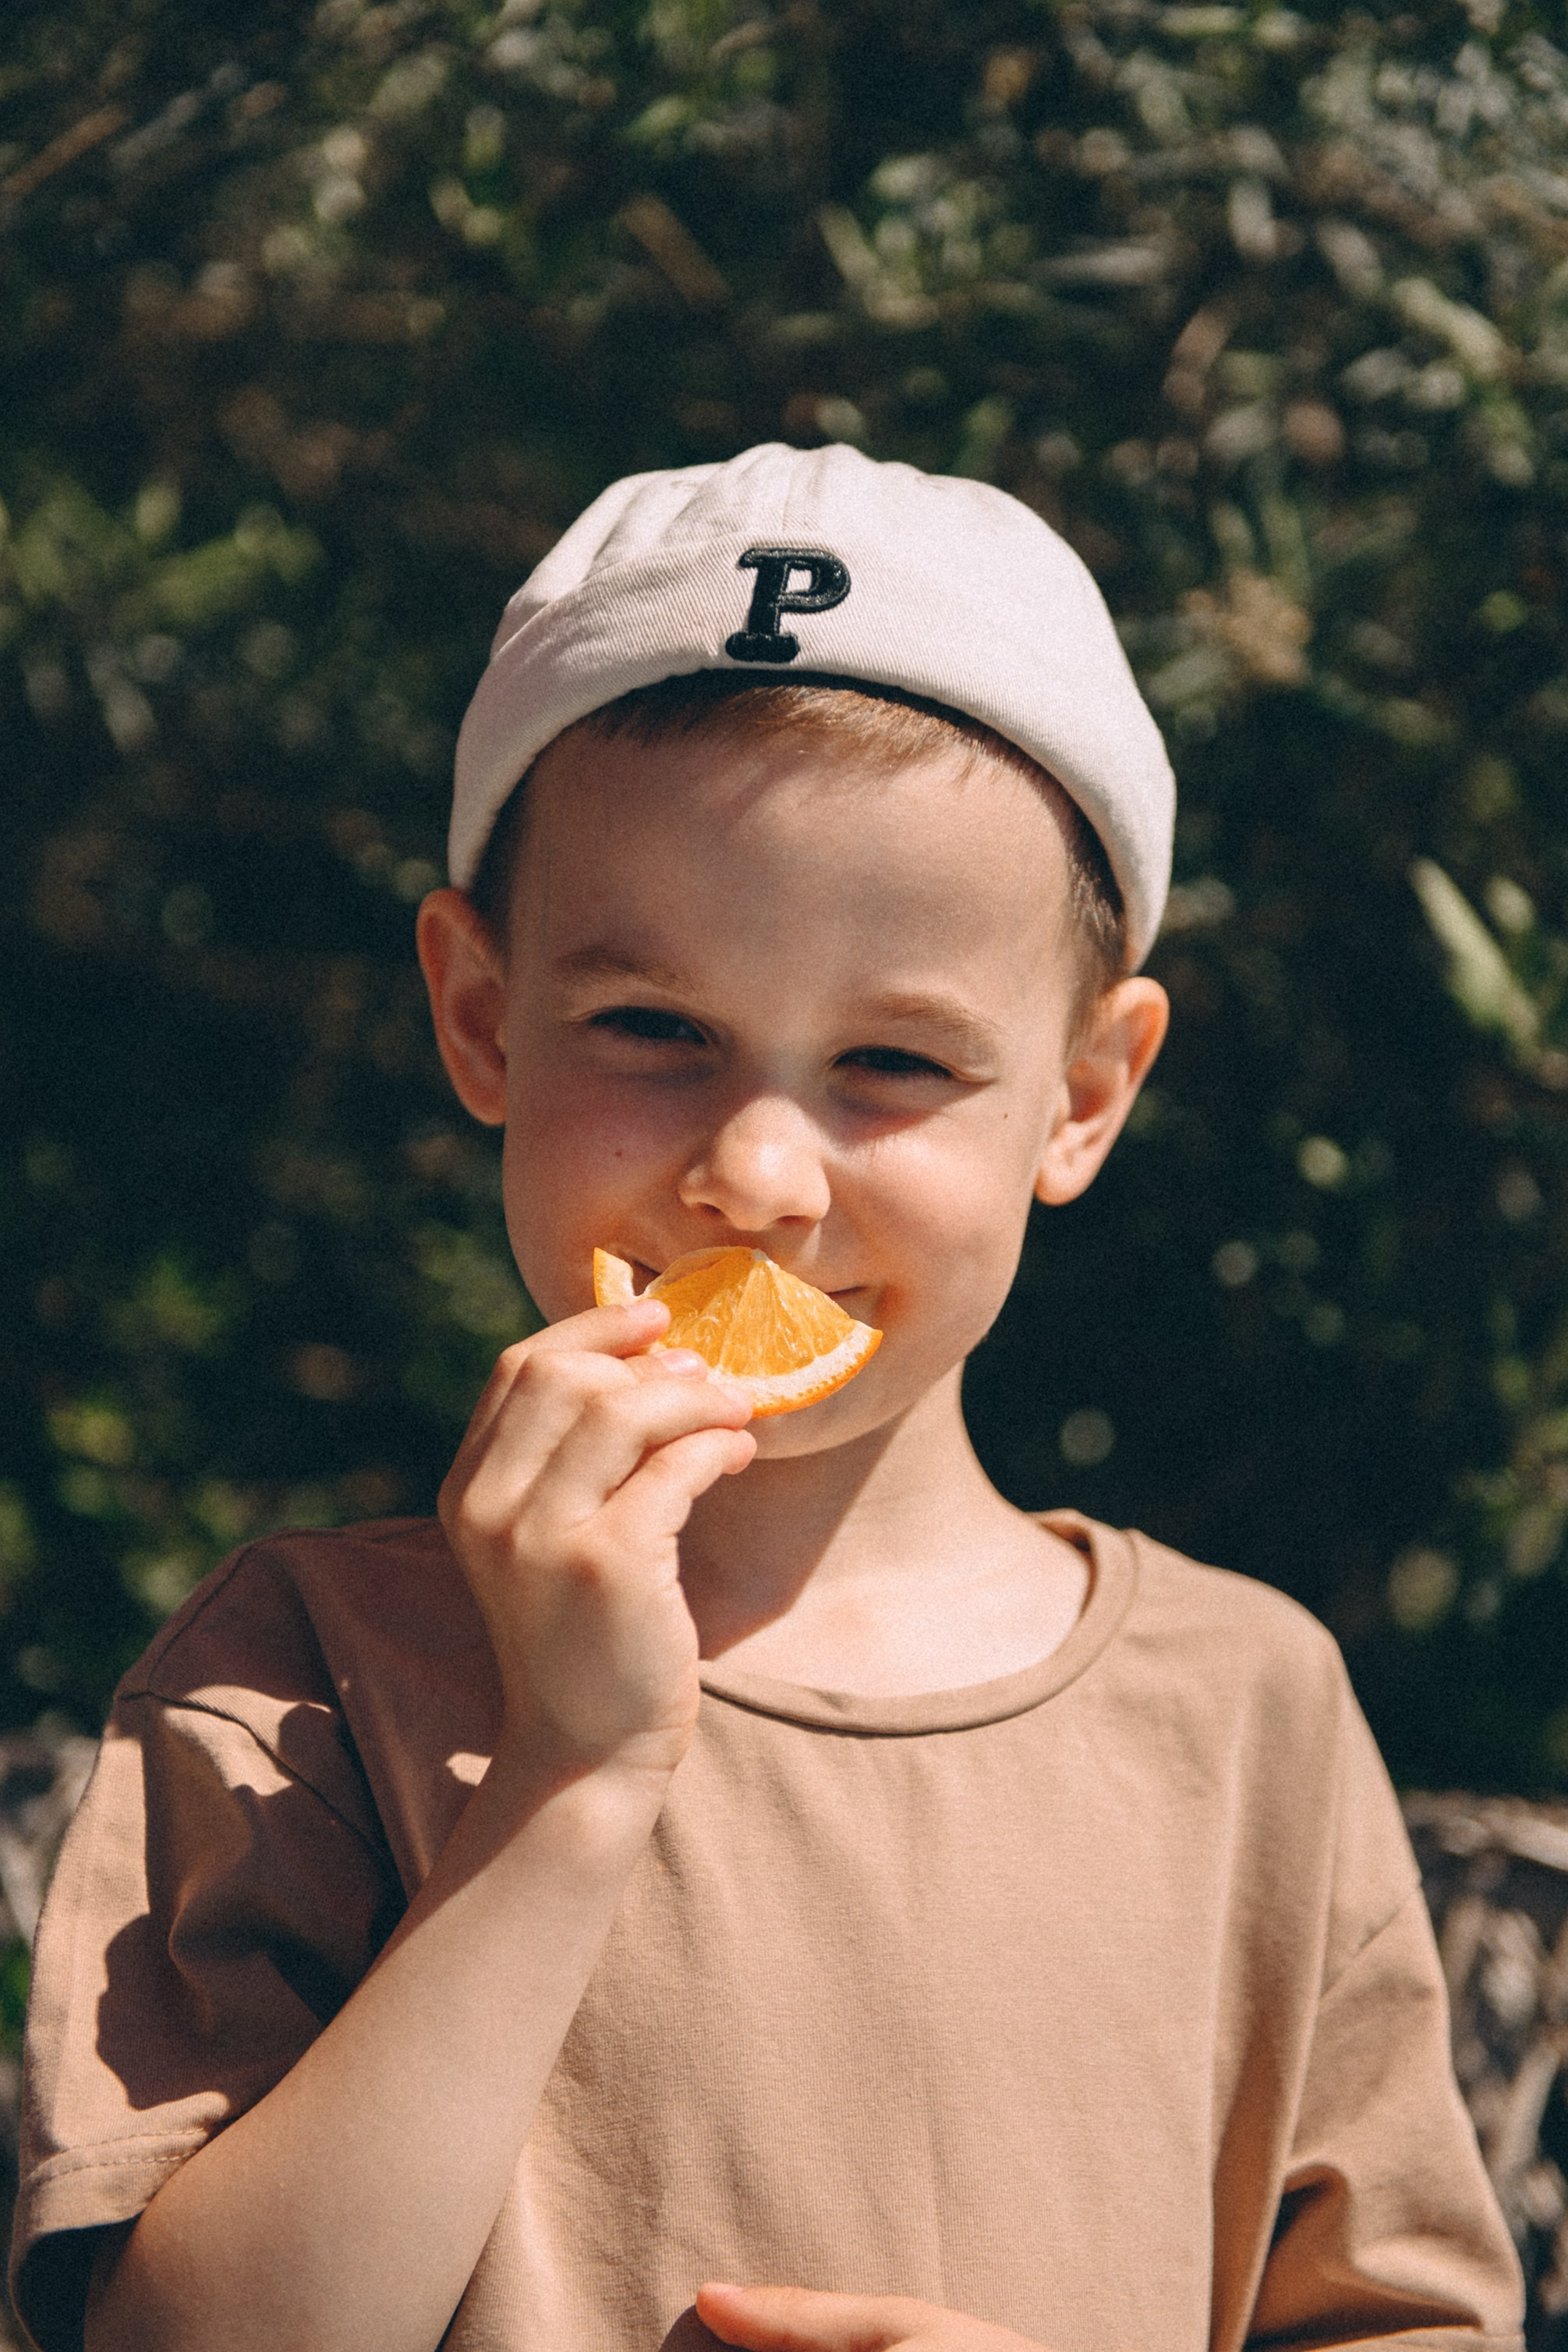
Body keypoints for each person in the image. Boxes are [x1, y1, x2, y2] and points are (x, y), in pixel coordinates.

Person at [11, 445, 1520, 2352]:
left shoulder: (1247, 1711)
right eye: (653, 1027)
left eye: (892, 1060)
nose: (757, 1173)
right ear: (479, 1013)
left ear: (1081, 1095)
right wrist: (569, 1775)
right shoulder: (299, 1678)